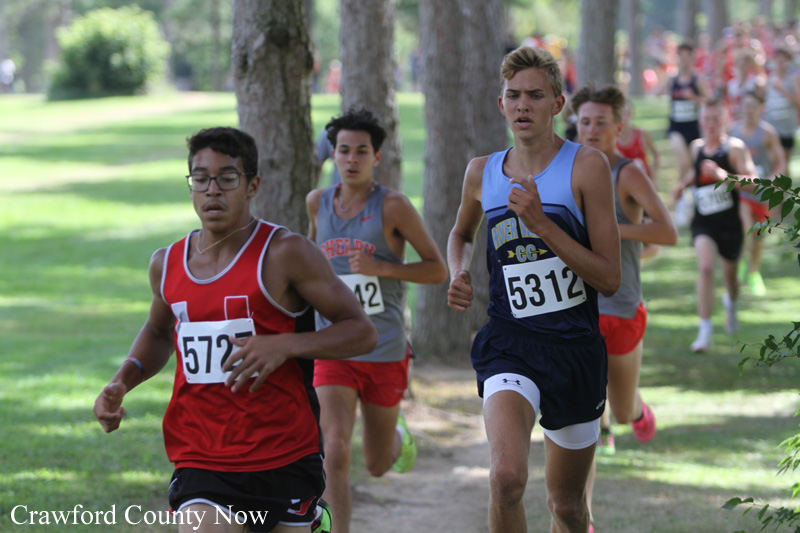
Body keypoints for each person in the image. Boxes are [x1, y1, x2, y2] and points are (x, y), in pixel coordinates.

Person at [94, 126, 378, 533]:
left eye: (227, 178)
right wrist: (123, 380)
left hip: (284, 453)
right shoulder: (166, 263)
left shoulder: (286, 253)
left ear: (252, 186)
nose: (212, 190)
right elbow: (158, 332)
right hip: (201, 454)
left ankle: (315, 517)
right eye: (201, 179)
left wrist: (285, 345)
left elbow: (361, 331)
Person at [447, 46, 621, 533]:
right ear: (501, 104)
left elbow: (609, 278)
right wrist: (458, 271)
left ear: (558, 104)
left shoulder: (586, 167)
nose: (523, 105)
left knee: (566, 506)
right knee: (506, 478)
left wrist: (542, 223)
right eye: (513, 95)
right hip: (511, 342)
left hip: (574, 350)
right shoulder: (482, 172)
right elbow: (460, 233)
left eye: (535, 95)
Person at [306, 108, 448, 533]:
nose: (351, 159)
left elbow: (437, 269)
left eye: (361, 151)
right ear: (333, 154)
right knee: (334, 450)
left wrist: (382, 268)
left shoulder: (393, 206)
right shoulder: (317, 204)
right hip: (333, 345)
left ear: (377, 157)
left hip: (383, 347)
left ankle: (398, 438)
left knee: (377, 463)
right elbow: (309, 268)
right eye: (344, 150)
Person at [570, 85, 678, 528]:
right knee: (584, 419)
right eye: (585, 122)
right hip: (577, 308)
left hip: (621, 304)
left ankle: (635, 409)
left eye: (601, 122)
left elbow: (667, 232)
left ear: (619, 127)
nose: (592, 130)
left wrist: (614, 229)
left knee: (618, 410)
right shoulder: (565, 168)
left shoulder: (627, 173)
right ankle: (583, 518)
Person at [672, 100, 758, 352]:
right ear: (700, 121)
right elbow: (695, 173)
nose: (710, 124)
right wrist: (683, 185)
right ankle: (705, 332)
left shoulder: (734, 148)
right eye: (706, 119)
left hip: (729, 224)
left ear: (724, 120)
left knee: (731, 281)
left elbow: (754, 182)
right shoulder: (697, 147)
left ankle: (730, 305)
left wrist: (724, 176)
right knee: (706, 267)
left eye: (715, 119)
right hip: (704, 222)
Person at [730, 90, 785, 296]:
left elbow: (780, 162)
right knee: (745, 230)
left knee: (759, 236)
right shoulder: (733, 131)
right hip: (742, 191)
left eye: (753, 106)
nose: (749, 110)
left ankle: (753, 272)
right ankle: (741, 265)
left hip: (763, 193)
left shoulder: (768, 133)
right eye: (746, 105)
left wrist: (773, 180)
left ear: (761, 108)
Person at [666, 43, 709, 189]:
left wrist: (694, 98)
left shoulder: (698, 79)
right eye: (681, 56)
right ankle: (680, 194)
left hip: (694, 126)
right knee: (683, 162)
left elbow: (709, 101)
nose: (684, 60)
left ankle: (690, 192)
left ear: (692, 58)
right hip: (677, 127)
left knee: (692, 164)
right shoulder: (672, 80)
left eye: (687, 56)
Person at [763, 47, 800, 180]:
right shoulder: (769, 79)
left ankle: (785, 191)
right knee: (775, 162)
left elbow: (798, 101)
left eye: (783, 59)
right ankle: (775, 190)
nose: (780, 62)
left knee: (785, 161)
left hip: (787, 127)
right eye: (777, 59)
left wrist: (781, 90)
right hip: (772, 127)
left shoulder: (793, 78)